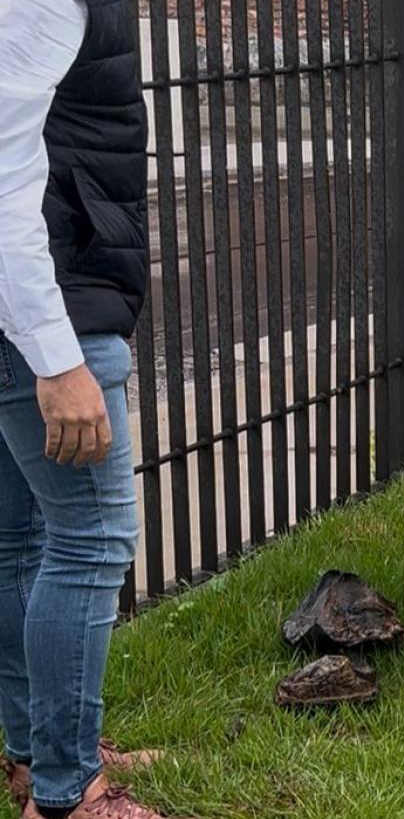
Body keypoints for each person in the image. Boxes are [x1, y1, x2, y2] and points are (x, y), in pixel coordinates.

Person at [0, 1, 172, 817]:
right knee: (93, 536)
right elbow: (2, 169)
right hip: (50, 306)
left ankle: (39, 753)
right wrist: (56, 353)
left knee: (19, 539)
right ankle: (68, 795)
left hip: (31, 301)